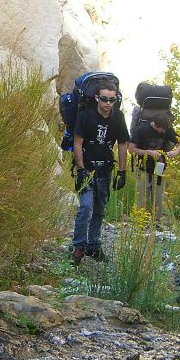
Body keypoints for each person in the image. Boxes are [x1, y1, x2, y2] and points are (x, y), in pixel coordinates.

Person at [71, 86, 130, 264]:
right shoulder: (85, 115)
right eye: (104, 99)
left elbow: (122, 144)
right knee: (86, 206)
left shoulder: (118, 116)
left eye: (111, 100)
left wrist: (122, 171)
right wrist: (80, 170)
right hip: (87, 167)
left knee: (99, 209)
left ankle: (94, 247)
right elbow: (77, 143)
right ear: (97, 98)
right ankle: (79, 248)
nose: (107, 104)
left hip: (106, 169)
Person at [129, 111, 180, 221]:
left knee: (158, 196)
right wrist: (148, 152)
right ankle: (140, 222)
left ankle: (157, 222)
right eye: (162, 129)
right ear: (155, 124)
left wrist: (176, 152)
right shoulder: (142, 130)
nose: (163, 132)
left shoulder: (167, 129)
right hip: (143, 167)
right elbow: (131, 149)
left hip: (159, 166)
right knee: (142, 196)